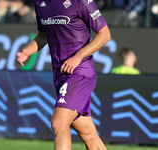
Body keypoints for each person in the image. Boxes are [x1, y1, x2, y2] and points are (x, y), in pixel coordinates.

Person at [17, 0, 111, 150]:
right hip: (60, 74)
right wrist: (27, 51)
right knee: (88, 133)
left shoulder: (81, 2)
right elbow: (43, 35)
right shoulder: (40, 4)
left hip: (80, 72)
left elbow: (105, 34)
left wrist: (78, 56)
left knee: (59, 122)